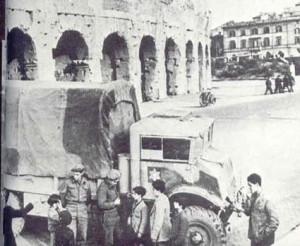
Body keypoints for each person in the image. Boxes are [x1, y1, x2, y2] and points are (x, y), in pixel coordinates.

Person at [242, 173, 279, 246]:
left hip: (265, 240)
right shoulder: (252, 196)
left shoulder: (267, 199)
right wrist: (247, 199)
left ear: (256, 185)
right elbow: (247, 212)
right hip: (254, 238)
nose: (248, 188)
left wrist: (263, 234)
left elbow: (274, 222)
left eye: (250, 186)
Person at [59, 164, 91, 245]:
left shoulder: (87, 183)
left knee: (83, 233)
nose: (75, 176)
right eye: (74, 174)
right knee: (71, 233)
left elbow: (88, 197)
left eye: (77, 174)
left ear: (82, 173)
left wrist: (84, 207)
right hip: (71, 207)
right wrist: (64, 208)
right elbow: (62, 196)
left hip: (82, 208)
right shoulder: (67, 182)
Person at [97, 169, 122, 246]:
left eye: (117, 180)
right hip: (107, 216)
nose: (116, 182)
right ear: (109, 180)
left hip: (114, 215)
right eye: (115, 181)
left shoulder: (112, 186)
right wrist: (114, 203)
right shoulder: (103, 188)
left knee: (116, 237)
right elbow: (101, 204)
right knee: (108, 240)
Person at [150, 179, 171, 246]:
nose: (152, 191)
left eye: (153, 189)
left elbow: (158, 220)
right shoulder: (162, 198)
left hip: (161, 235)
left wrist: (154, 236)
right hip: (162, 234)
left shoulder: (160, 201)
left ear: (158, 190)